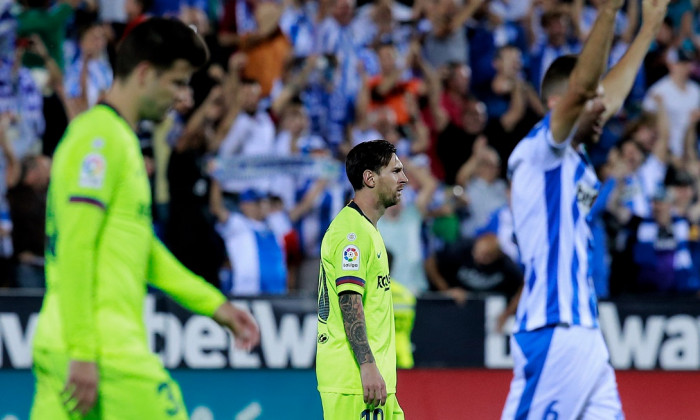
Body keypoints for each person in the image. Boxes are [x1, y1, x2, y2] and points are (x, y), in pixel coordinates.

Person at [31, 18, 260, 419]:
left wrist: (215, 306)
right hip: (105, 356)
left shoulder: (117, 140)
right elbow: (76, 244)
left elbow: (142, 249)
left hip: (65, 345)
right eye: (176, 82)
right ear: (143, 73)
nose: (183, 97)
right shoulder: (99, 140)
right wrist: (84, 352)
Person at [502, 0, 669, 418]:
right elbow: (583, 91)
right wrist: (609, 12)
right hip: (554, 331)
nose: (604, 110)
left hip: (584, 338)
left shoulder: (575, 159)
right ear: (561, 104)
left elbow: (605, 94)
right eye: (593, 102)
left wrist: (648, 29)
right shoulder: (540, 151)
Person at [316, 140, 406, 419]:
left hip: (377, 383)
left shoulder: (367, 229)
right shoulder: (351, 234)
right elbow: (349, 301)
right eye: (395, 171)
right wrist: (367, 366)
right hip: (355, 383)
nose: (404, 178)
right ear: (369, 178)